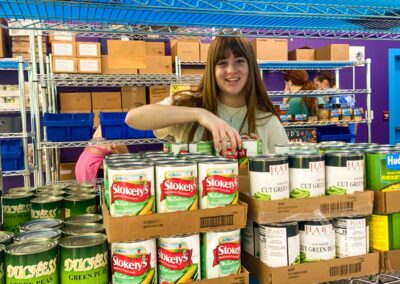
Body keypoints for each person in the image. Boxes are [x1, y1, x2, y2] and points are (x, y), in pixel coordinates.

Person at [125, 35, 289, 154]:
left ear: (251, 67)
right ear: (212, 70)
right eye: (222, 63)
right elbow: (133, 118)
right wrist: (200, 114)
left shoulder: (266, 119)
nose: (231, 70)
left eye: (239, 61)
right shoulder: (188, 103)